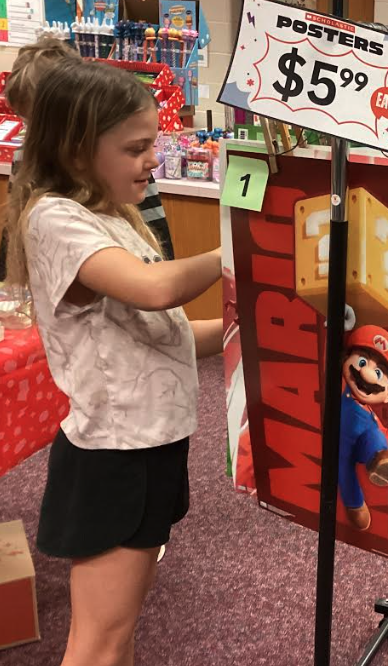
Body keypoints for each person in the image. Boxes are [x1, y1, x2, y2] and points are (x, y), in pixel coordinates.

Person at [4, 59, 223, 666]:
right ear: (77, 151)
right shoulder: (55, 219)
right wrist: (237, 246)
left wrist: (242, 332)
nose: (153, 160)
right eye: (135, 148)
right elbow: (157, 290)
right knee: (98, 641)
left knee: (118, 633)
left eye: (153, 143)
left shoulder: (113, 218)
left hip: (152, 442)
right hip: (115, 453)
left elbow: (166, 334)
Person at [0, 36, 174, 281]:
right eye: (30, 121)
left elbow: (155, 245)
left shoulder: (124, 169)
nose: (42, 137)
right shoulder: (52, 213)